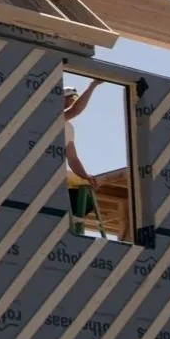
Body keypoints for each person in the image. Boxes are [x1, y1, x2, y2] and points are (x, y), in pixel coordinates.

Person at [63, 82, 100, 233]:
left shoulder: (67, 128)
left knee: (85, 201)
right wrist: (93, 86)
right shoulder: (47, 116)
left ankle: (66, 227)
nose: (72, 101)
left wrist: (85, 176)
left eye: (73, 98)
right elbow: (75, 110)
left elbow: (73, 159)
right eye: (69, 98)